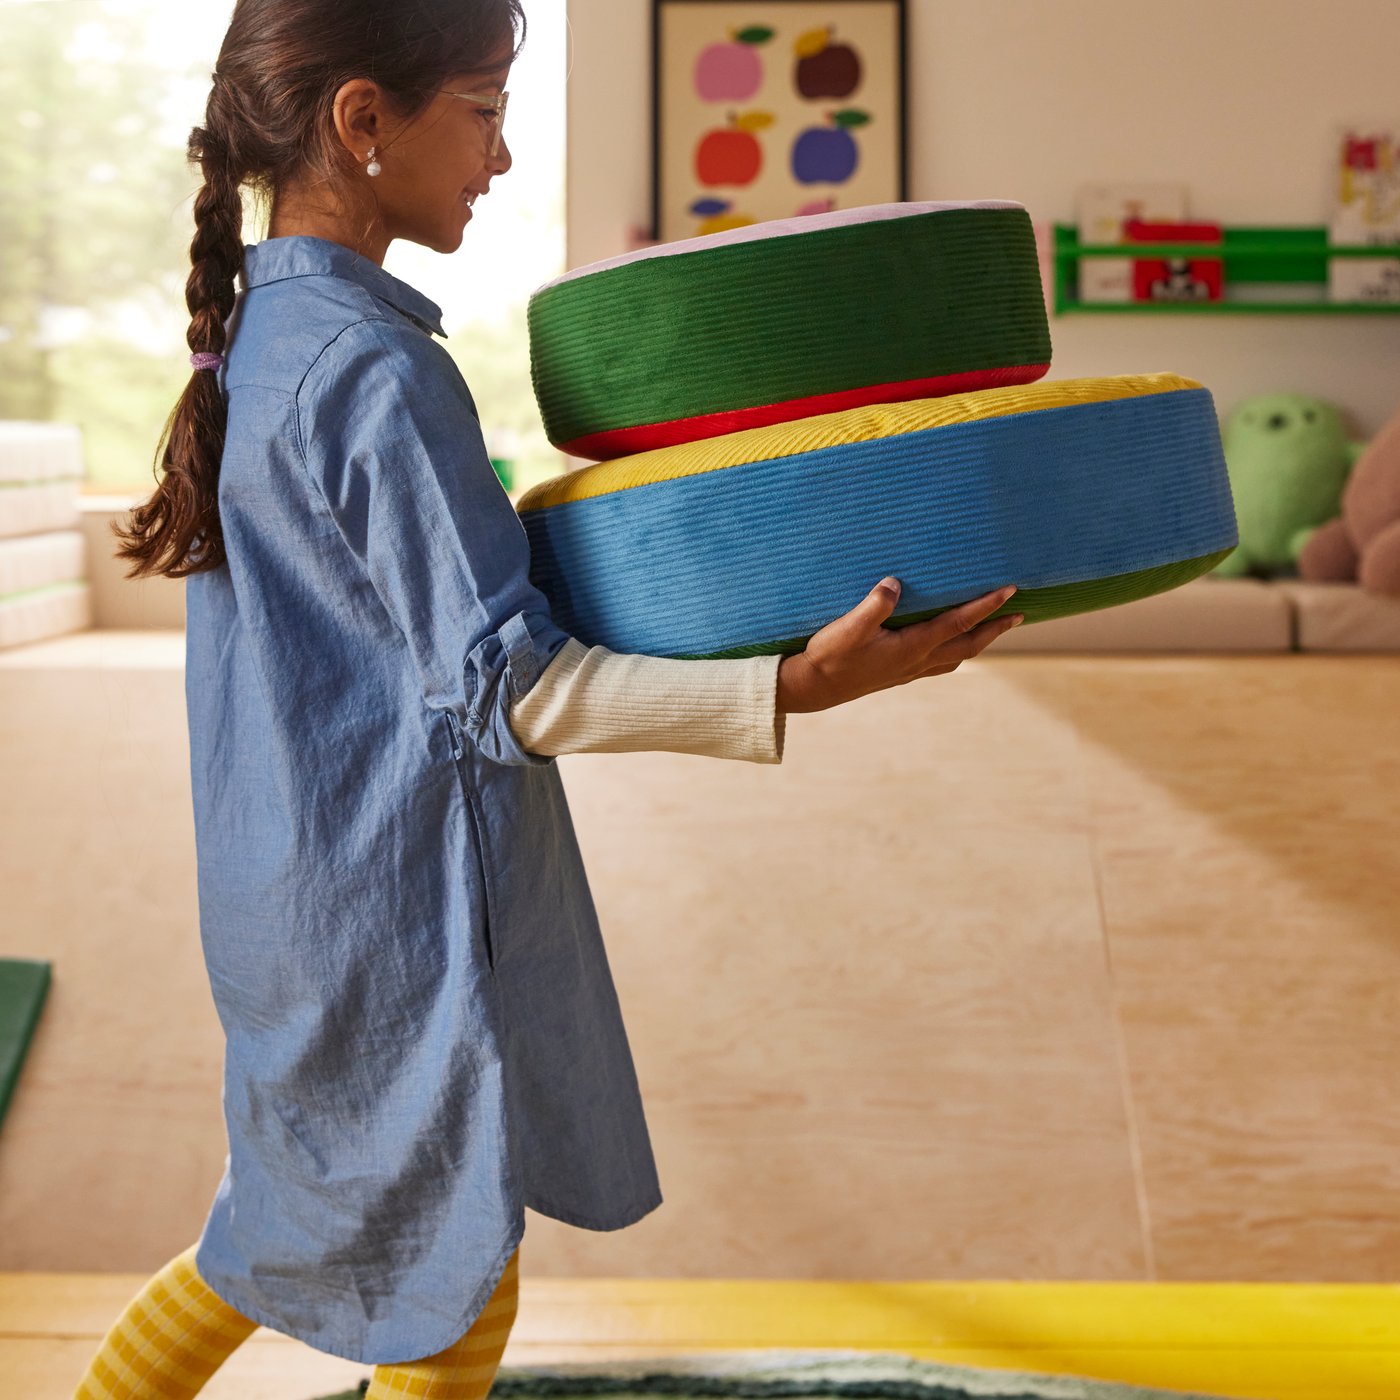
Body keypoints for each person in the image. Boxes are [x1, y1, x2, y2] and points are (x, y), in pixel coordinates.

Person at [79, 1, 1024, 1395]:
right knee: (453, 1284)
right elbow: (507, 692)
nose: (503, 156)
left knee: (264, 1239)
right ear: (362, 121)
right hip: (398, 917)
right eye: (481, 110)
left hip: (296, 903)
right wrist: (787, 689)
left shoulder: (269, 343)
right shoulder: (373, 370)